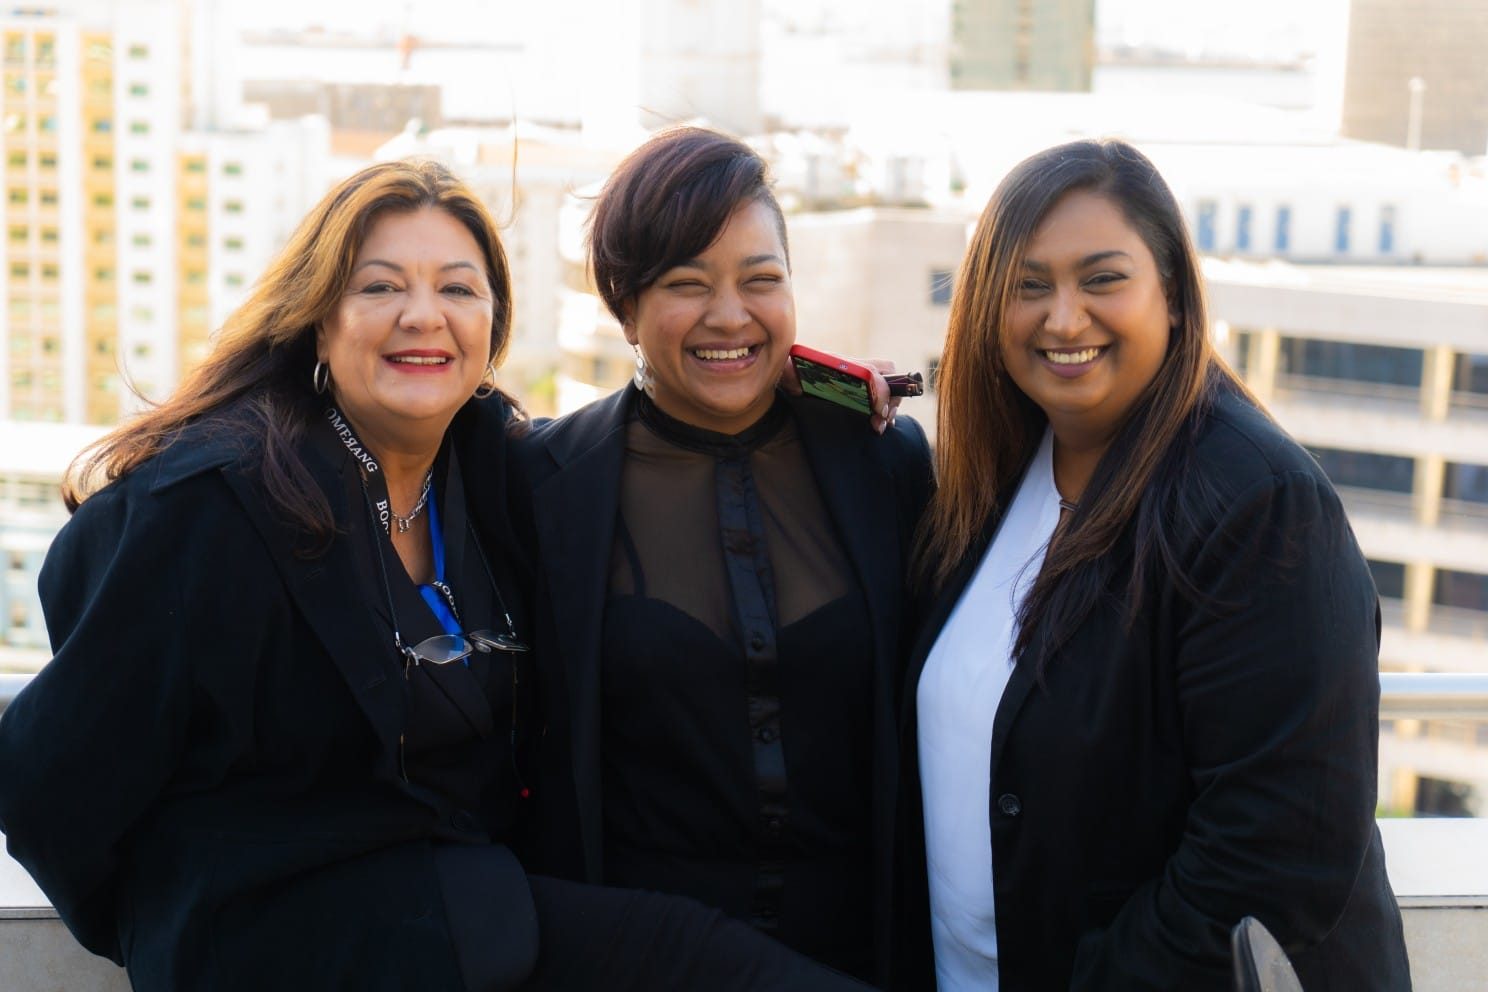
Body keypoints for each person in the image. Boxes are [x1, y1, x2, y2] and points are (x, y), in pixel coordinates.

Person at [0, 160, 871, 992]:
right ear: (319, 317)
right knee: (696, 962)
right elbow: (50, 783)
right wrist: (174, 926)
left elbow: (677, 398)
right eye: (381, 287)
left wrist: (808, 381)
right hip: (281, 939)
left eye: (458, 288)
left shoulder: (492, 468)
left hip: (457, 918)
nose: (425, 316)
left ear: (492, 323)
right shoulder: (212, 503)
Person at [899, 139, 1412, 990]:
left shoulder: (1259, 505)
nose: (1063, 319)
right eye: (1029, 286)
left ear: (1171, 295)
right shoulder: (991, 484)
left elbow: (1275, 852)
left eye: (1102, 279)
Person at [494, 127, 934, 986]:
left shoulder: (883, 463)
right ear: (622, 304)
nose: (730, 315)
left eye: (761, 281)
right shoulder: (541, 484)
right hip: (643, 962)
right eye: (686, 284)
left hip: (863, 955)